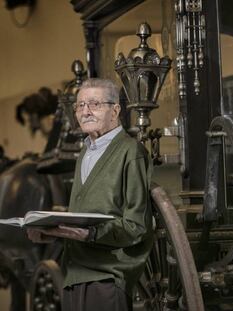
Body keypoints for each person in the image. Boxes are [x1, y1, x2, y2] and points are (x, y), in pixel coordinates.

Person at [27, 78, 153, 311]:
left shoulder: (131, 152)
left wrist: (89, 235)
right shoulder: (85, 153)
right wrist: (51, 233)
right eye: (80, 105)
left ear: (115, 110)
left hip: (107, 278)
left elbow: (136, 226)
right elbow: (82, 220)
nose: (85, 111)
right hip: (74, 275)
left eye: (94, 104)